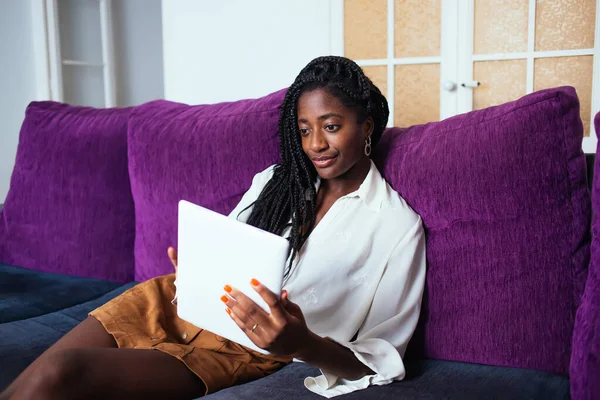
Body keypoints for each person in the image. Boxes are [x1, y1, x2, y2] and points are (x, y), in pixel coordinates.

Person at [1, 56, 426, 400]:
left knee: (63, 372)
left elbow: (380, 359)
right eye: (303, 130)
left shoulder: (396, 227)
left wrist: (301, 343)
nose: (315, 144)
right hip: (172, 299)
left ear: (366, 127)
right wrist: (200, 268)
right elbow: (231, 247)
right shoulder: (276, 180)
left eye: (331, 126)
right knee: (36, 374)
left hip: (245, 348)